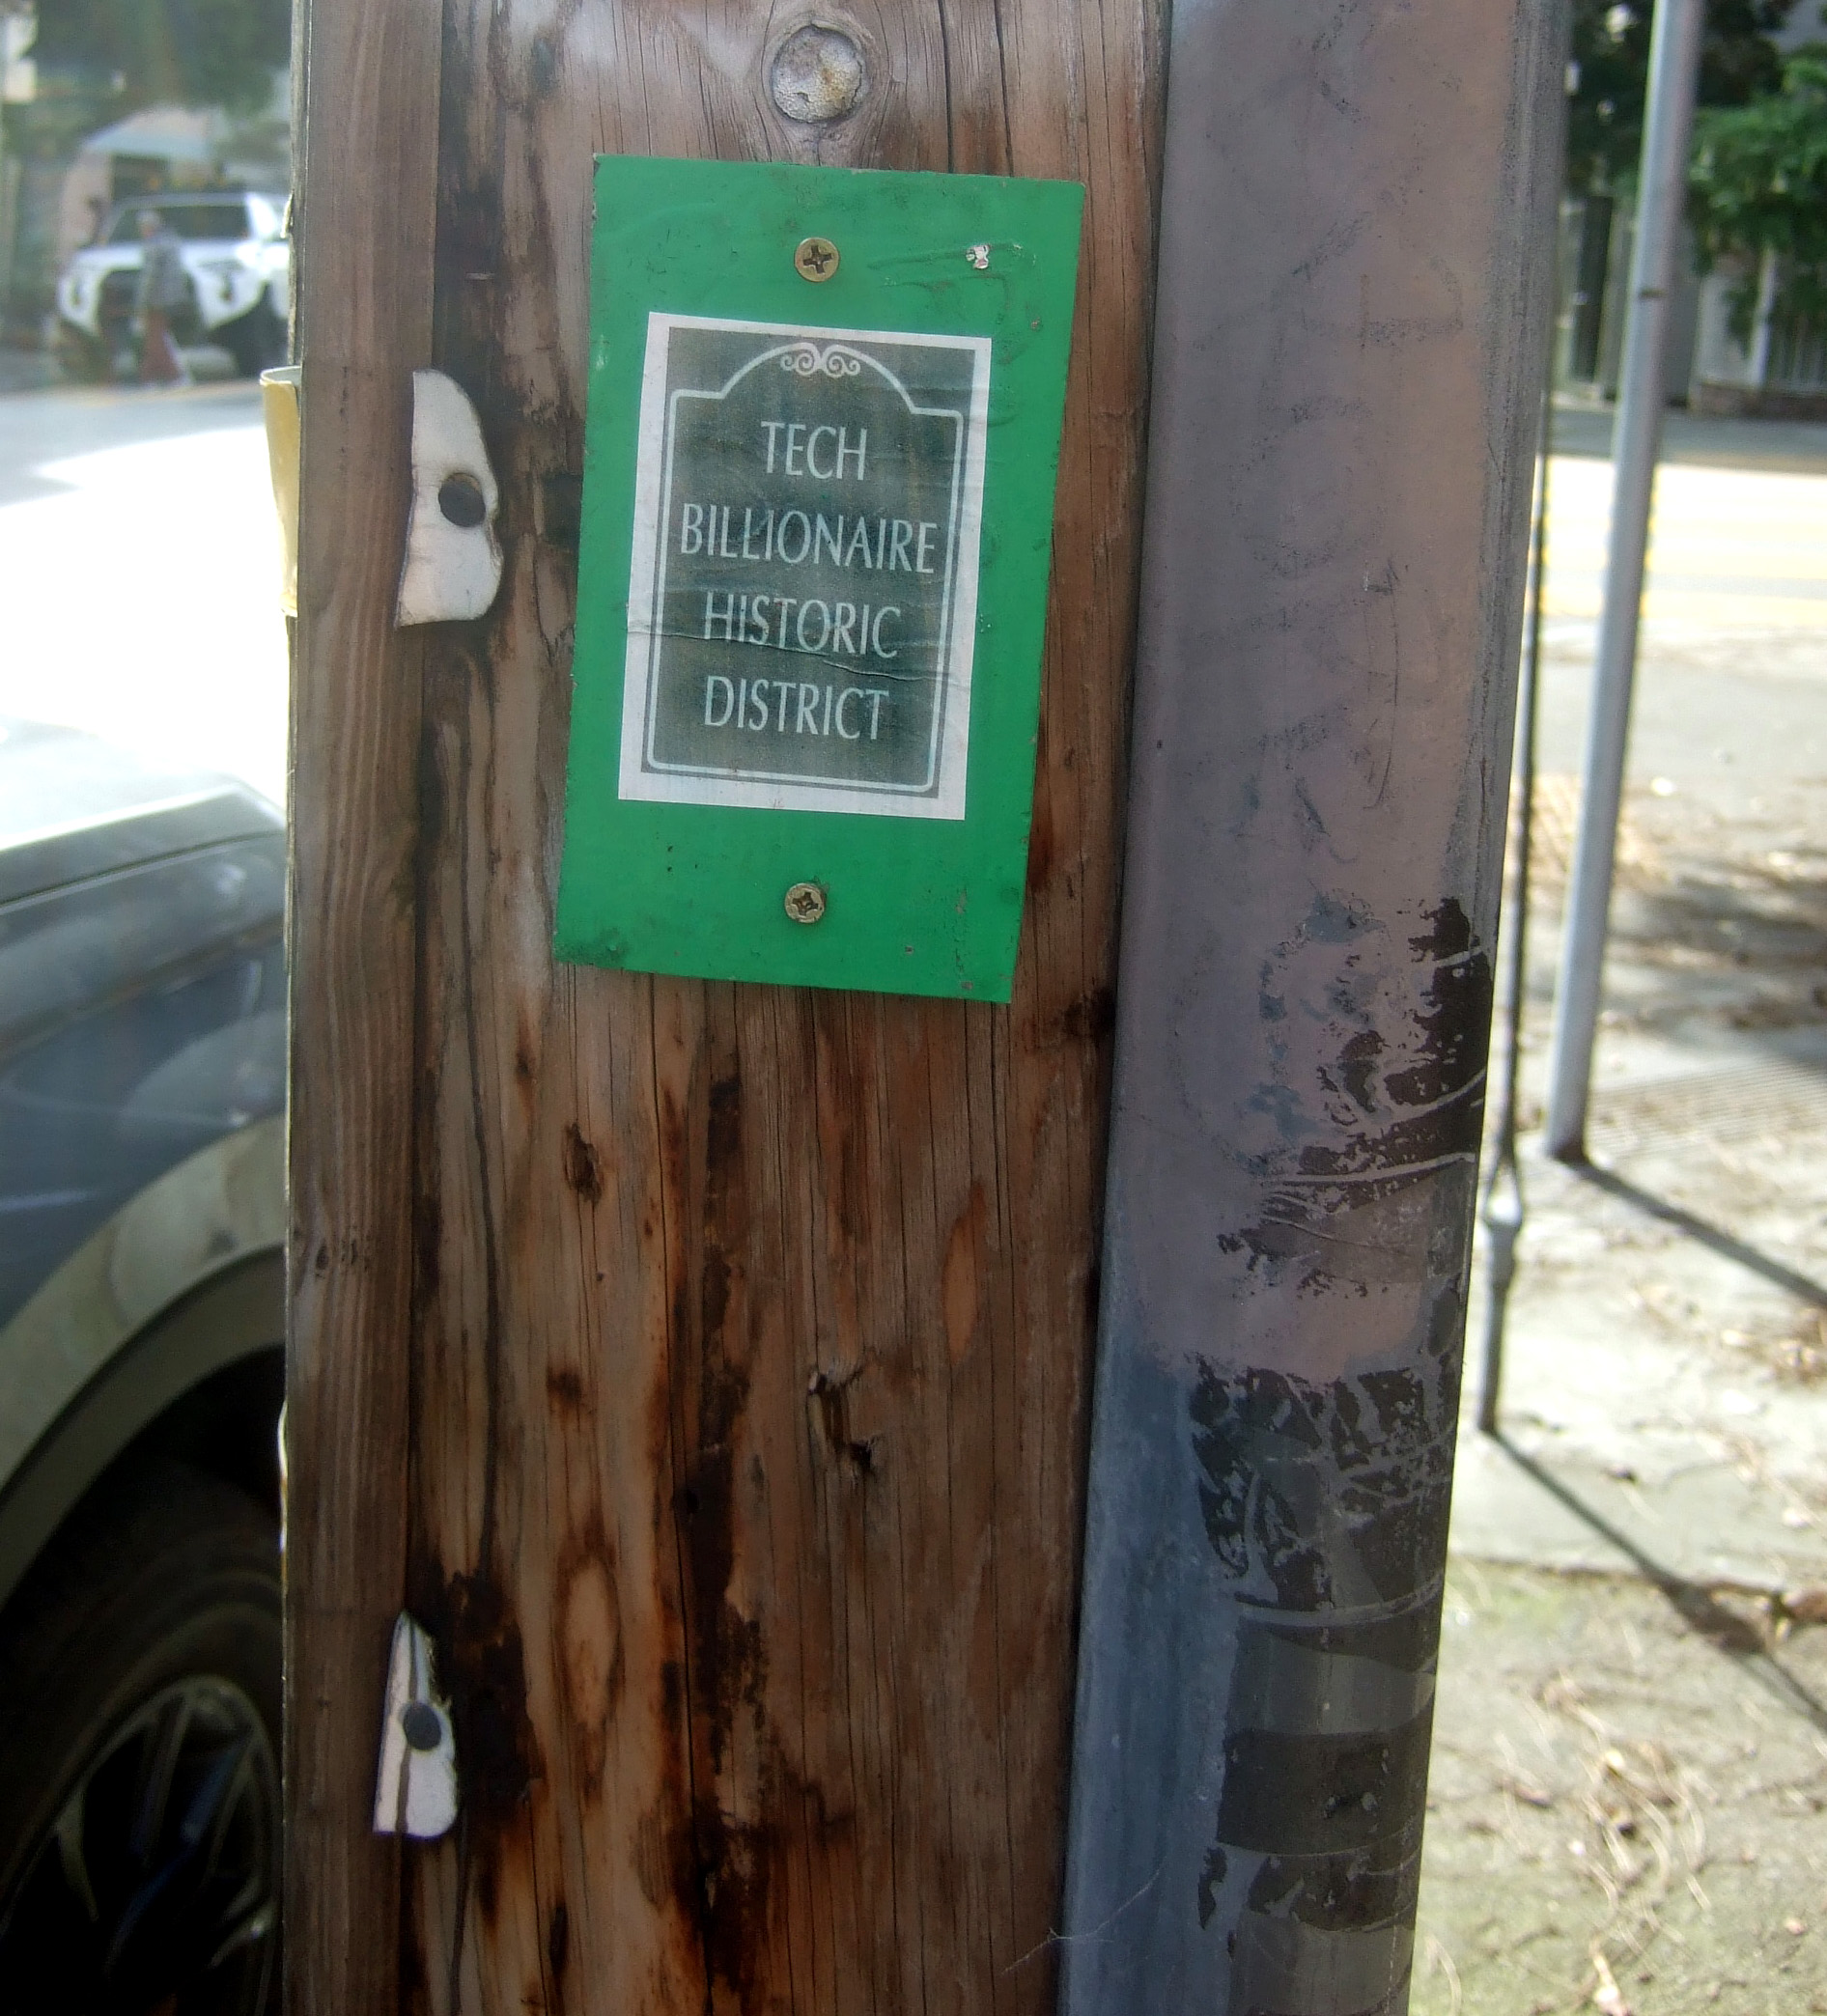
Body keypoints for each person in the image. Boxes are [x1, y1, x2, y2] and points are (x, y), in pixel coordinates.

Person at [133, 210, 191, 386]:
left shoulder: (153, 245)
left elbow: (149, 277)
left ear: (148, 227)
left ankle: (172, 375)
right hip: (172, 298)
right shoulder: (172, 241)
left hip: (156, 299)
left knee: (155, 338)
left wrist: (140, 302)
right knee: (158, 337)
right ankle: (153, 375)